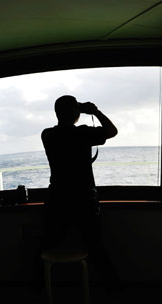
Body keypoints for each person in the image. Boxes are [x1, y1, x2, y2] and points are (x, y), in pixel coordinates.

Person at [37, 95, 121, 287]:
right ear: (76, 112)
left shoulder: (47, 135)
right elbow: (112, 131)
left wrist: (77, 109)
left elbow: (65, 130)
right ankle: (114, 291)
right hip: (84, 200)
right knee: (96, 249)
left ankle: (38, 289)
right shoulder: (83, 133)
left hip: (57, 199)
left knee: (47, 246)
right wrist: (94, 112)